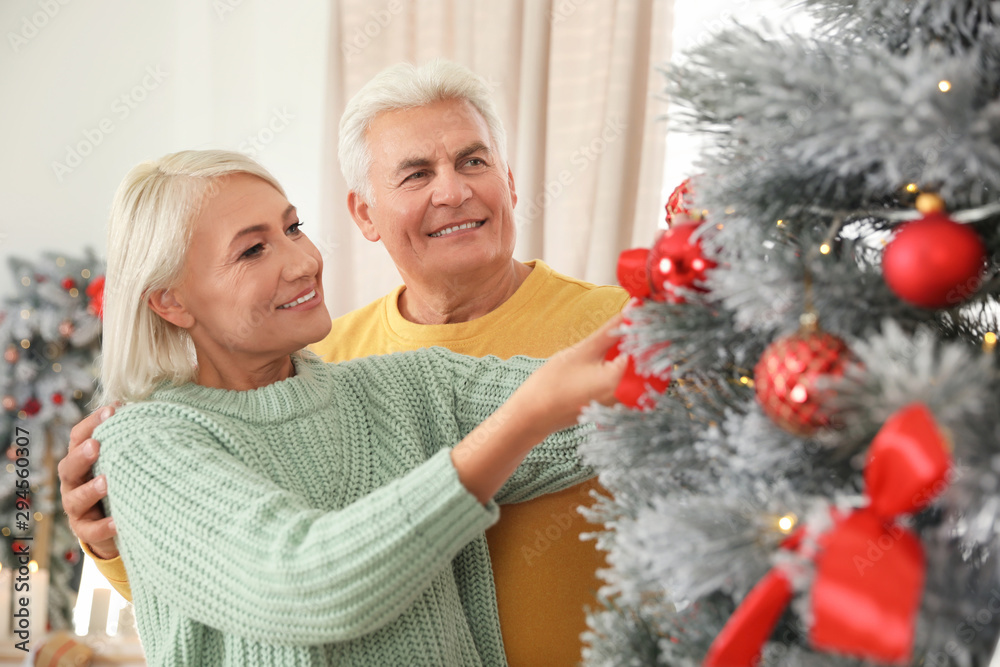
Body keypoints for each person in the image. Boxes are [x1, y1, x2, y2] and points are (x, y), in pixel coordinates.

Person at [59, 59, 629, 665]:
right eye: (253, 249)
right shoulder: (147, 441)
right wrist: (117, 543)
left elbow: (621, 410)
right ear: (170, 301)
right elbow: (294, 584)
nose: (304, 261)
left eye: (293, 228)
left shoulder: (402, 384)